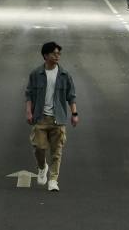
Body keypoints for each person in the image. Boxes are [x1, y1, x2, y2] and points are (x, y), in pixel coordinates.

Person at [25, 41, 78, 192]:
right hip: (40, 118)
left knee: (57, 151)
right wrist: (29, 111)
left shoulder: (64, 75)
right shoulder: (36, 74)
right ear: (45, 56)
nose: (57, 56)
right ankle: (42, 167)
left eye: (59, 53)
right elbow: (29, 94)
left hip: (58, 118)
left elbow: (71, 96)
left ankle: (53, 180)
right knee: (39, 147)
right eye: (54, 53)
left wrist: (74, 114)